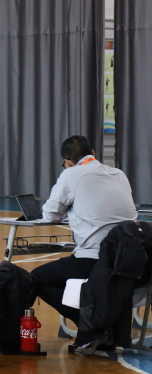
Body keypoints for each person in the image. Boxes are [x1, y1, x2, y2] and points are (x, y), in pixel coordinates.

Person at [32, 135, 137, 326]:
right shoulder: (119, 174)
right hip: (130, 260)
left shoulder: (71, 174)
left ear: (67, 162)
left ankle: (88, 322)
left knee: (35, 278)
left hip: (95, 259)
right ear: (93, 153)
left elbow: (50, 214)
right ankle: (96, 319)